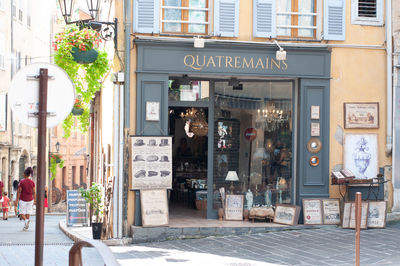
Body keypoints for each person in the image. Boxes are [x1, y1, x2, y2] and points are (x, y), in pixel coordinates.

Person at [17, 167, 35, 231]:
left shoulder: (21, 182)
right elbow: (34, 192)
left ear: (25, 174)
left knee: (21, 213)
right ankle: (26, 226)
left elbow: (19, 191)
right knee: (28, 212)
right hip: (30, 199)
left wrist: (16, 200)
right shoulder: (32, 182)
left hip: (23, 199)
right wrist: (35, 200)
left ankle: (26, 221)